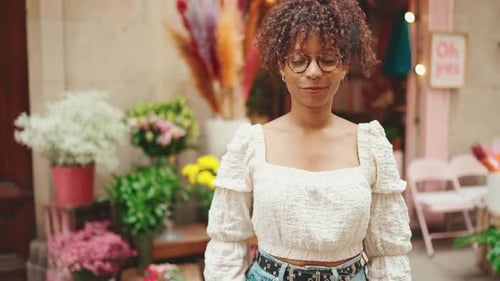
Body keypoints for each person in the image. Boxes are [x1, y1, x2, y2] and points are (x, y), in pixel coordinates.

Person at [204, 0, 412, 280]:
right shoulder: (251, 145)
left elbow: (389, 252)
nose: (313, 72)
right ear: (281, 66)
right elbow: (226, 242)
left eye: (327, 59)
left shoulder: (370, 146)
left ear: (343, 66)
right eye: (299, 60)